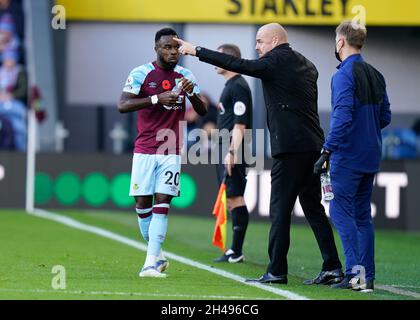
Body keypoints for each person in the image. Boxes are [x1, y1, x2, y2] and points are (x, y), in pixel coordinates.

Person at [176, 23, 343, 284]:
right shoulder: (308, 65)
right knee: (313, 208)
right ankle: (332, 266)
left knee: (279, 210)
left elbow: (240, 65)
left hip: (290, 149)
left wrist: (195, 50)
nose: (256, 47)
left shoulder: (275, 61)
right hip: (313, 146)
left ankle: (276, 271)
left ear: (275, 40)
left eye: (260, 41)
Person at [118, 27, 207, 278]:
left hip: (171, 149)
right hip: (144, 148)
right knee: (142, 205)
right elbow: (122, 105)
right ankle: (157, 255)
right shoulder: (141, 73)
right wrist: (157, 99)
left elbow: (202, 111)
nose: (172, 52)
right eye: (167, 47)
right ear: (156, 48)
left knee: (163, 202)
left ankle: (148, 265)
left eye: (176, 48)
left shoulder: (185, 75)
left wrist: (191, 93)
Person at [314, 21, 391, 292]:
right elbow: (385, 116)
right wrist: (365, 132)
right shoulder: (376, 74)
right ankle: (366, 276)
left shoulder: (344, 74)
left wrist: (327, 149)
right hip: (371, 154)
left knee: (339, 211)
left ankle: (354, 275)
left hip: (347, 155)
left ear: (341, 42)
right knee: (361, 216)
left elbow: (342, 116)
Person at [210, 44, 253, 264]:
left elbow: (240, 125)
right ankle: (233, 250)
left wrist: (231, 152)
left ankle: (236, 251)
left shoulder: (238, 87)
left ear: (228, 60)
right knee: (230, 199)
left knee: (236, 197)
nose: (214, 61)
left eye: (218, 56)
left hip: (234, 150)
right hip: (225, 149)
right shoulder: (231, 85)